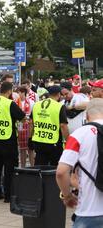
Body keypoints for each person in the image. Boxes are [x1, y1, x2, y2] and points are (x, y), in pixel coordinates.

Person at [56, 98, 103, 228]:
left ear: (87, 116)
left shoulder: (79, 134)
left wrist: (67, 196)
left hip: (89, 211)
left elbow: (61, 172)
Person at [0, 82, 25, 202]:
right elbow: (22, 116)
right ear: (9, 91)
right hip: (8, 139)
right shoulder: (10, 103)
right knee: (10, 168)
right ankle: (9, 195)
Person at [31, 85, 69, 166]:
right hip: (53, 142)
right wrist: (68, 141)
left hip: (38, 140)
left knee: (39, 167)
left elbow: (32, 123)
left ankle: (38, 179)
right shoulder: (59, 106)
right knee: (54, 168)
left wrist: (29, 137)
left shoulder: (36, 105)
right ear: (59, 94)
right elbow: (63, 126)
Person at [15, 86, 34, 167]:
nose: (18, 94)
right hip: (19, 127)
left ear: (23, 93)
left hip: (28, 127)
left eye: (19, 92)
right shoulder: (15, 102)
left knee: (30, 149)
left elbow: (33, 116)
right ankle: (22, 167)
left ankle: (33, 167)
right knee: (22, 149)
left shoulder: (31, 102)